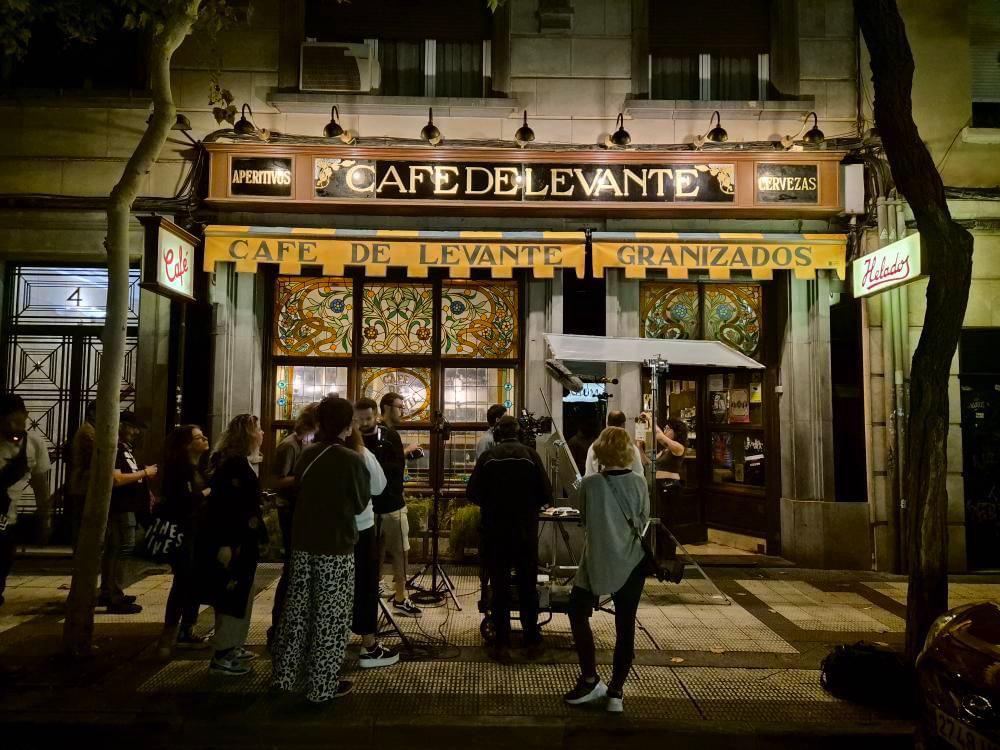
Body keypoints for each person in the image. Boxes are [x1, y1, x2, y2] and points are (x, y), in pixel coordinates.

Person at [271, 396, 369, 703]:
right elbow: (360, 502)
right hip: (335, 545)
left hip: (303, 542)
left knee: (298, 612)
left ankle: (286, 676)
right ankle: (322, 685)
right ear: (346, 424)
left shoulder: (309, 452)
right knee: (330, 617)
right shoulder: (351, 459)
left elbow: (299, 487)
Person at [564, 426, 649, 714]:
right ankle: (616, 691)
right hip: (632, 561)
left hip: (595, 560)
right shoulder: (639, 483)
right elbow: (642, 520)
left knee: (577, 611)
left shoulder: (590, 484)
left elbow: (585, 521)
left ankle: (590, 679)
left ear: (599, 450)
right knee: (625, 625)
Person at [467, 415, 552, 662]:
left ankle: (501, 642)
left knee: (500, 588)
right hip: (525, 532)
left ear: (497, 433)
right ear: (519, 432)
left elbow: (472, 493)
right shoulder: (530, 456)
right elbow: (546, 493)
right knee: (527, 586)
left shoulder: (488, 458)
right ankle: (531, 640)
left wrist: (493, 505)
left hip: (495, 533)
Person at [202, 414, 265, 676]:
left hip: (240, 538)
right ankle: (224, 652)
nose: (262, 433)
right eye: (258, 429)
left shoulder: (231, 461)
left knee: (241, 593)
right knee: (233, 593)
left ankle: (233, 645)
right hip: (236, 540)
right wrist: (228, 543)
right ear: (248, 434)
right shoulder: (234, 465)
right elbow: (227, 506)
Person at [356, 394, 421, 618]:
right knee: (383, 550)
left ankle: (397, 593)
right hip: (375, 504)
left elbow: (395, 466)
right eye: (360, 419)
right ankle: (388, 592)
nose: (364, 423)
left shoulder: (388, 435)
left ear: (375, 415)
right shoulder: (359, 438)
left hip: (385, 502)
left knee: (393, 548)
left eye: (367, 418)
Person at [156, 424, 212, 660]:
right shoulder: (179, 470)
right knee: (183, 582)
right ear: (187, 445)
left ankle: (187, 629)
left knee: (194, 580)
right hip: (183, 531)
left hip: (196, 531)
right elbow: (182, 501)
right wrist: (207, 493)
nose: (205, 439)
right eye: (199, 438)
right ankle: (169, 635)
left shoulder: (197, 467)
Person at [348, 410, 398, 669]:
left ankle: (331, 644)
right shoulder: (361, 454)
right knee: (364, 585)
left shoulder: (314, 453)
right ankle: (368, 645)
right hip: (361, 527)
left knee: (335, 589)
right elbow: (379, 486)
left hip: (325, 533)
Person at [266, 404, 319, 649]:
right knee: (293, 567)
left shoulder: (308, 443)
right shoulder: (289, 445)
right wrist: (305, 476)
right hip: (290, 510)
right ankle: (278, 629)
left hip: (304, 509)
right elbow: (276, 480)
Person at [100, 410, 155, 614]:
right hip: (120, 507)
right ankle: (114, 594)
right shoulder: (115, 448)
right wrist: (145, 473)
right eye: (132, 427)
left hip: (128, 506)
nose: (135, 432)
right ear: (121, 425)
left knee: (117, 548)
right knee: (123, 547)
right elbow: (117, 479)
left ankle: (110, 590)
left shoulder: (125, 449)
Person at [0, 395, 51, 607]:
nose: (15, 427)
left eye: (19, 422)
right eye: (9, 422)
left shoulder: (34, 444)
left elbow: (40, 485)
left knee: (3, 560)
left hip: (7, 516)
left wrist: (44, 517)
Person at [66, 401, 96, 550]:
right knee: (83, 522)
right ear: (92, 413)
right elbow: (96, 456)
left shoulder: (90, 430)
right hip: (83, 483)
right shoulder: (88, 432)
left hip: (83, 482)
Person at [584, 411, 644, 477]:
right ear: (623, 425)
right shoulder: (632, 449)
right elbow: (639, 475)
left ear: (607, 424)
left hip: (599, 486)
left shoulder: (595, 448)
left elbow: (588, 474)